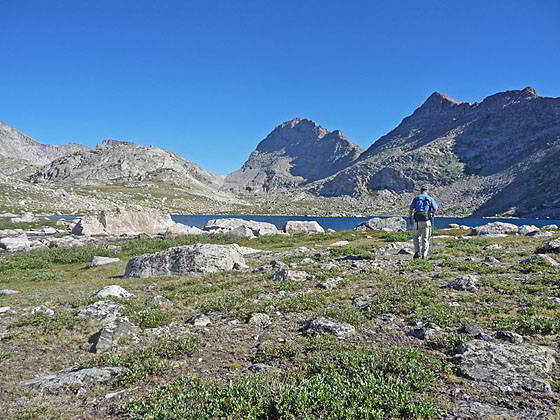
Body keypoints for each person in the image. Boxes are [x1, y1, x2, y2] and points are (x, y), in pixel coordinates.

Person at [408, 186, 439, 259]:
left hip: (418, 221)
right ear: (427, 191)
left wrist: (410, 217)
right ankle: (424, 255)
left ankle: (417, 252)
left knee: (416, 236)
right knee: (425, 238)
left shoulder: (416, 198)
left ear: (420, 191)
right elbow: (435, 208)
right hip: (427, 220)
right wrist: (431, 213)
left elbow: (411, 208)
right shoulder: (430, 198)